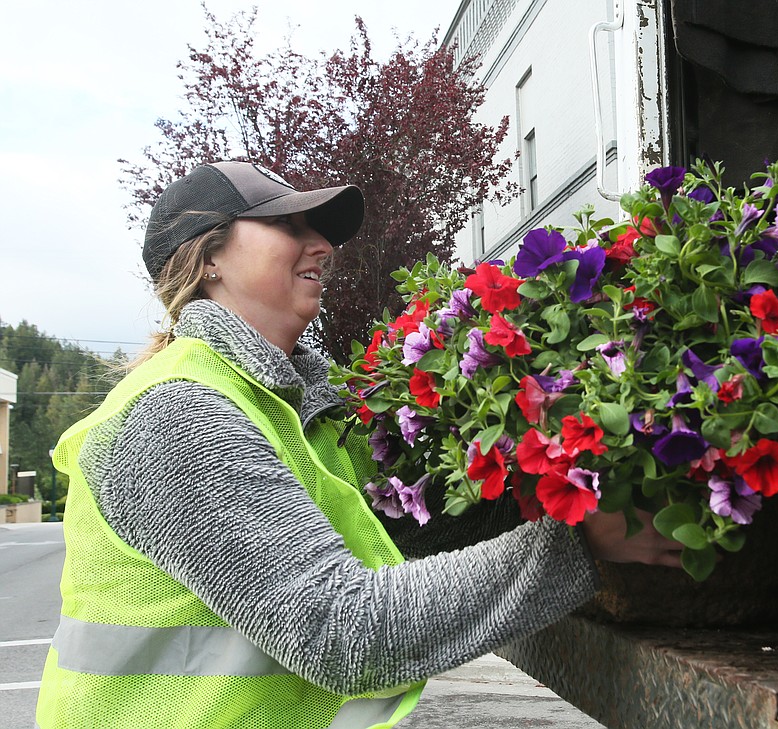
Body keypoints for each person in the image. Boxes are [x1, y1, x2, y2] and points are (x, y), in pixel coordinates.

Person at [36, 161, 683, 729]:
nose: (321, 244)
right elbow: (339, 630)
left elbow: (407, 538)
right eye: (290, 226)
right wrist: (578, 539)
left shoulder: (298, 408)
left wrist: (561, 490)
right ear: (208, 257)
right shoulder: (179, 414)